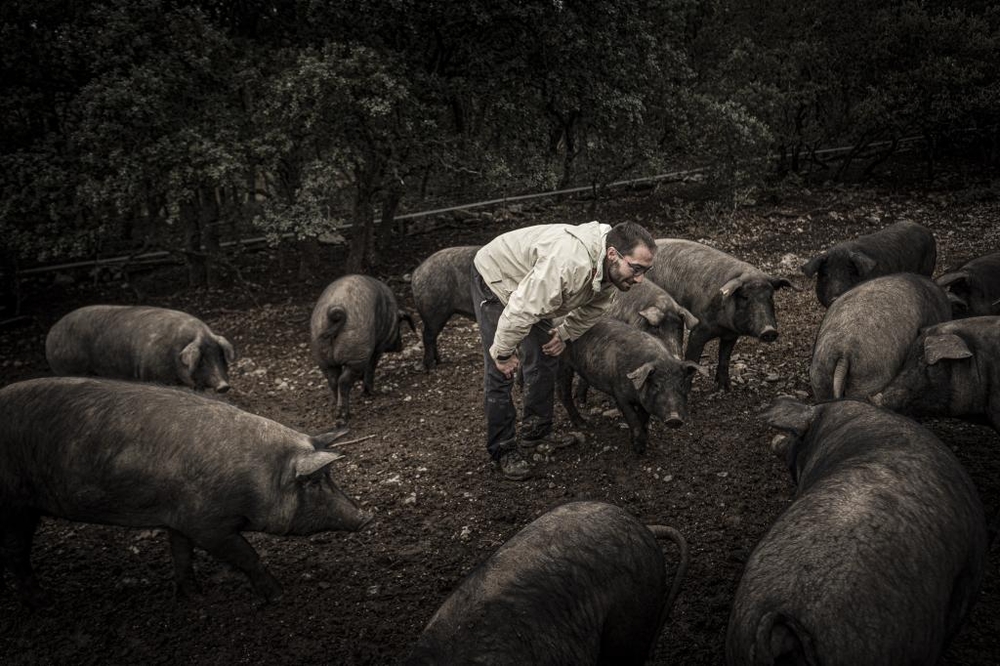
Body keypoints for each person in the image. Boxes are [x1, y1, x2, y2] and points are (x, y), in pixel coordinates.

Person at [470, 220, 657, 480]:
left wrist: (565, 333)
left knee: (547, 354)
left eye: (645, 271)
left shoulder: (608, 268)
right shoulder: (568, 264)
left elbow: (595, 308)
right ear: (613, 254)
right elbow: (522, 309)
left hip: (534, 287)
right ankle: (502, 448)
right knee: (501, 368)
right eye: (636, 269)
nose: (640, 279)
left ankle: (537, 433)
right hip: (498, 277)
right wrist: (503, 353)